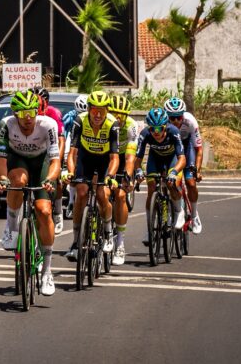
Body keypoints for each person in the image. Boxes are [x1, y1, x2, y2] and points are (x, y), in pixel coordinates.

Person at [0, 90, 60, 296]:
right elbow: (2, 159)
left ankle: (47, 270)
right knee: (17, 182)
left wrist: (49, 179)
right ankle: (12, 227)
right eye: (22, 114)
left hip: (41, 162)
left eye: (31, 112)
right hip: (18, 159)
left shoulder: (48, 125)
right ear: (15, 114)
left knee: (44, 210)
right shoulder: (6, 125)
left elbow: (55, 160)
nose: (28, 118)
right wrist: (2, 178)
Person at [65, 90, 120, 261]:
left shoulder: (113, 124)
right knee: (81, 192)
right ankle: (75, 242)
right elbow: (72, 153)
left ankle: (109, 232)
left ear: (107, 111)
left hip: (104, 160)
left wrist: (110, 176)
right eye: (94, 110)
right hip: (85, 158)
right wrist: (71, 172)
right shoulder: (80, 121)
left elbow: (114, 157)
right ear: (88, 109)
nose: (97, 114)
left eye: (102, 110)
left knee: (102, 195)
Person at [135, 107, 187, 243]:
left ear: (166, 126)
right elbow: (138, 159)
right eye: (152, 129)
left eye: (159, 129)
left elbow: (182, 158)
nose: (155, 132)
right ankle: (150, 229)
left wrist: (175, 172)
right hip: (155, 159)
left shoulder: (174, 132)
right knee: (151, 189)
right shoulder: (145, 134)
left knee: (171, 183)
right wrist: (139, 171)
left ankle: (178, 210)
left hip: (171, 160)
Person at [164, 97, 205, 234]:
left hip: (187, 149)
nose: (176, 121)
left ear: (183, 115)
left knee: (191, 183)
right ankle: (173, 210)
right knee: (170, 181)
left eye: (179, 117)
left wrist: (197, 170)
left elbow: (198, 148)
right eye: (172, 118)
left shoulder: (190, 121)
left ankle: (194, 215)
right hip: (171, 150)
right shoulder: (162, 123)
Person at [107, 94, 138, 265]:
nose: (117, 117)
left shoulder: (131, 126)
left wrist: (127, 176)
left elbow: (130, 157)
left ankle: (120, 241)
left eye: (121, 114)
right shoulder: (105, 123)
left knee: (119, 196)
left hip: (124, 158)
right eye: (113, 113)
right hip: (108, 157)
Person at [31, 87, 66, 233]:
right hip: (32, 149)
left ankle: (58, 211)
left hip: (50, 149)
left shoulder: (53, 113)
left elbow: (61, 139)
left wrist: (58, 158)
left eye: (41, 101)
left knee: (56, 179)